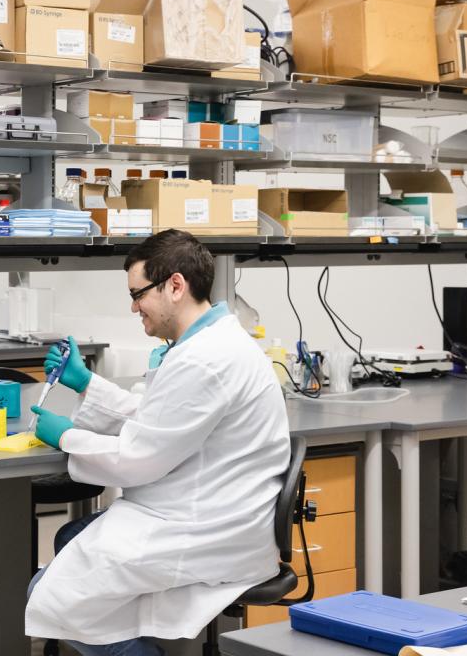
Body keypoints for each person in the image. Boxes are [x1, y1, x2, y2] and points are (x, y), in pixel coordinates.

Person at [24, 229, 290, 656]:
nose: (134, 307)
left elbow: (137, 457)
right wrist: (86, 383)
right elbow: (158, 422)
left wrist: (67, 436)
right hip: (207, 514)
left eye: (138, 294)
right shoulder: (206, 344)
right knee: (72, 538)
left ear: (175, 286)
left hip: (203, 530)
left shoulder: (205, 358)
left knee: (48, 591)